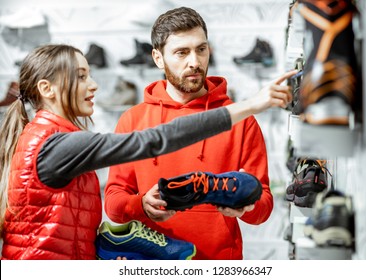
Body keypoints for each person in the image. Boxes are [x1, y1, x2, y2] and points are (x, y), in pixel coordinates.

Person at [0, 44, 294, 260]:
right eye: (80, 76)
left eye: (89, 74)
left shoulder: (53, 138)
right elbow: (154, 140)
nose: (93, 84)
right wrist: (250, 105)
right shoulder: (56, 145)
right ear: (47, 89)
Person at [104, 7, 296, 260]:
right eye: (181, 52)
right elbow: (114, 204)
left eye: (201, 49)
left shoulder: (240, 120)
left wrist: (243, 207)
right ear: (158, 58)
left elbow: (263, 207)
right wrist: (140, 205)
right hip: (151, 262)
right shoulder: (133, 119)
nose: (194, 62)